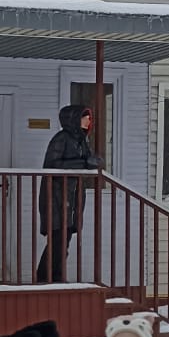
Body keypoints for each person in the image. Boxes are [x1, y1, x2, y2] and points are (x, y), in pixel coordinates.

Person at [36, 105, 102, 282]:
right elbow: (52, 165)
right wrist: (82, 163)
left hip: (72, 198)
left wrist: (93, 162)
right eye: (84, 117)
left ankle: (55, 278)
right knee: (57, 241)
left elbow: (88, 161)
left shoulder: (81, 141)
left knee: (64, 242)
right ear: (73, 119)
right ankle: (44, 278)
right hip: (57, 197)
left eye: (89, 117)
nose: (89, 120)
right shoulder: (61, 139)